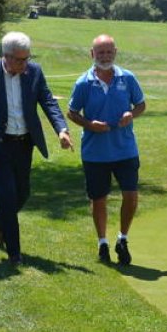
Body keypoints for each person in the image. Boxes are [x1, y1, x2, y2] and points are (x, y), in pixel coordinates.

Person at [0, 32, 73, 264]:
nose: (25, 64)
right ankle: (14, 253)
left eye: (27, 58)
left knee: (23, 193)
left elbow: (48, 101)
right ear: (6, 56)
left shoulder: (34, 72)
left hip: (24, 144)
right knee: (8, 195)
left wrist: (61, 129)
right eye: (20, 60)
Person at [67, 34, 146, 265]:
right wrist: (90, 125)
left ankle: (123, 238)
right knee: (98, 199)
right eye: (100, 52)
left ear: (115, 53)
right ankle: (103, 243)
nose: (105, 56)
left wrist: (132, 114)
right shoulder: (83, 83)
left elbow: (141, 104)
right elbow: (72, 112)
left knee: (130, 195)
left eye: (109, 52)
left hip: (125, 149)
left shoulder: (127, 78)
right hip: (95, 153)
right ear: (92, 54)